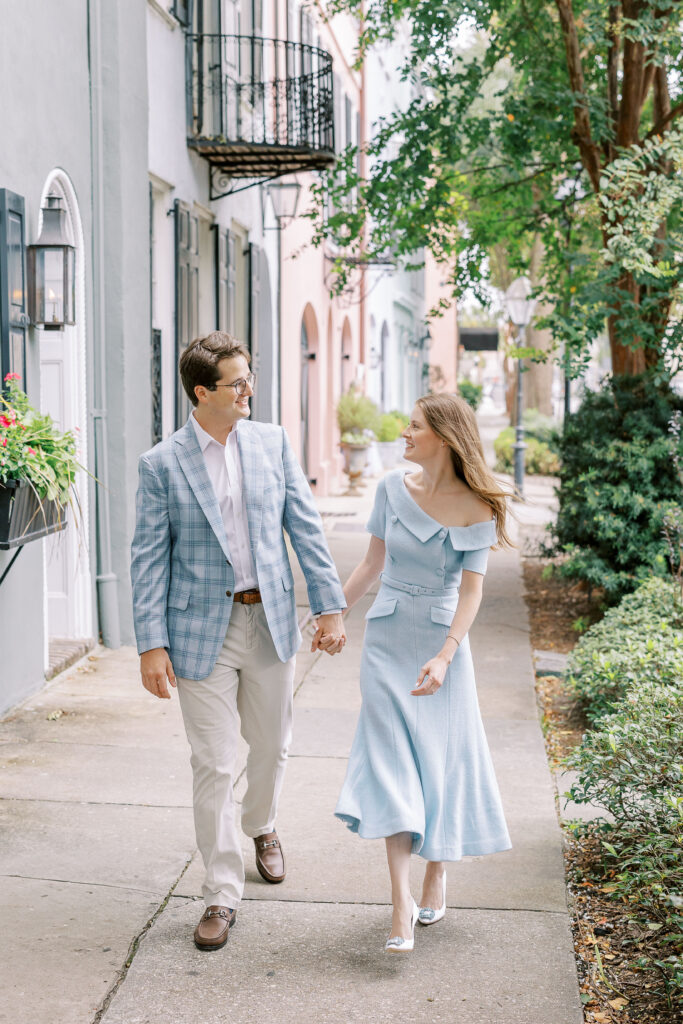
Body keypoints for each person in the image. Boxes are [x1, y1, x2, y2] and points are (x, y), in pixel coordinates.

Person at [130, 332, 346, 952]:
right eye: (237, 383)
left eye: (249, 379)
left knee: (272, 747)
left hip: (270, 621)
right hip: (200, 632)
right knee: (216, 763)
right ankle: (222, 892)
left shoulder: (272, 443)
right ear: (203, 392)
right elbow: (148, 560)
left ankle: (263, 825)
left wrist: (329, 606)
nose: (249, 390)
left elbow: (304, 529)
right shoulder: (162, 464)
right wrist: (150, 644)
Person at [332, 393, 512, 952]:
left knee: (438, 765)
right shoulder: (390, 489)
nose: (404, 435)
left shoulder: (480, 505)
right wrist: (332, 614)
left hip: (440, 646)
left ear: (444, 438)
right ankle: (399, 906)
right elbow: (371, 563)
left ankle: (437, 870)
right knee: (389, 768)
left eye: (414, 427)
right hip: (386, 639)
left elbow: (474, 590)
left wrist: (445, 654)